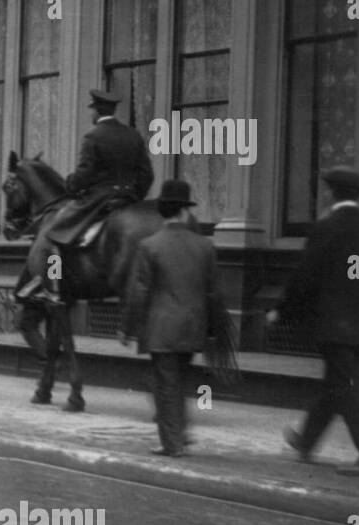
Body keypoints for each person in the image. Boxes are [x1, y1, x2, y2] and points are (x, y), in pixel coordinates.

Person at [268, 167, 359, 477]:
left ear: (330, 193)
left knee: (345, 385)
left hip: (335, 325)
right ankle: (306, 441)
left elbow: (305, 275)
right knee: (337, 382)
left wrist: (281, 310)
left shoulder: (327, 228)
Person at [119, 180, 223, 457]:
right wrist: (212, 331)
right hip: (193, 326)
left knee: (165, 385)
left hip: (161, 328)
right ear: (185, 212)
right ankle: (179, 434)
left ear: (163, 213)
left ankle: (172, 443)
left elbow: (139, 292)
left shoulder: (149, 246)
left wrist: (127, 329)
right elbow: (212, 292)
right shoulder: (205, 246)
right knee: (180, 381)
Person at [22, 89, 154, 303]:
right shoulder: (133, 134)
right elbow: (147, 174)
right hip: (129, 199)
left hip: (98, 199)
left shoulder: (93, 136)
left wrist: (71, 185)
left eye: (92, 109)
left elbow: (85, 174)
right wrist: (133, 196)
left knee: (51, 235)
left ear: (96, 111)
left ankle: (53, 286)